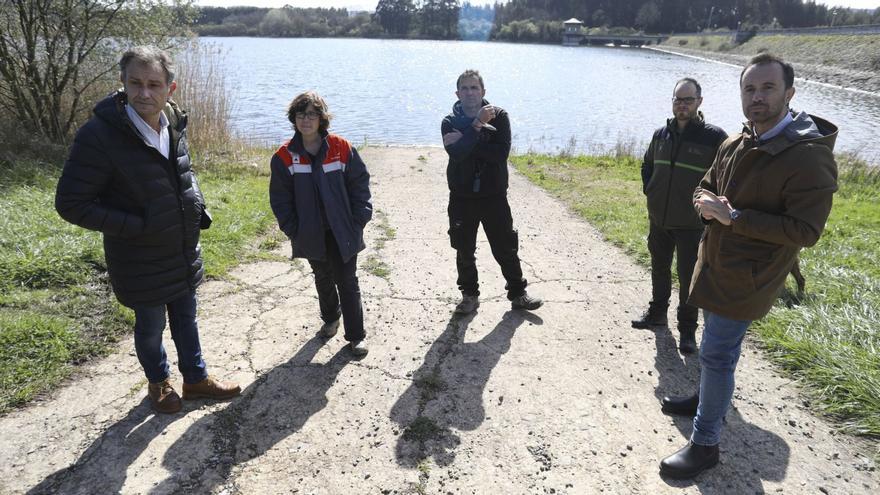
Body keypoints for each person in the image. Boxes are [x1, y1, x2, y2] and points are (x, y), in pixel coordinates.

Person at [659, 53, 838, 479]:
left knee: (719, 356)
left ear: (789, 93)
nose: (757, 97)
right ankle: (704, 399)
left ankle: (705, 444)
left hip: (750, 275)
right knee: (711, 347)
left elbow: (806, 230)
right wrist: (705, 206)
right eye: (749, 89)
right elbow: (706, 187)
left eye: (767, 88)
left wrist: (733, 217)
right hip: (716, 263)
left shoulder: (807, 156)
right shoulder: (738, 141)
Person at [55, 46, 241, 414]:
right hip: (138, 257)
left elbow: (182, 171)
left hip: (182, 247)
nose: (144, 93)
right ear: (122, 84)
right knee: (151, 327)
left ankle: (196, 379)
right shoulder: (99, 135)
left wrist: (195, 206)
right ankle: (158, 383)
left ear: (170, 89)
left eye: (153, 84)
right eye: (135, 83)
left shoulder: (173, 122)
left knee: (187, 319)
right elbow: (71, 203)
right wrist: (137, 226)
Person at [269, 91, 372, 356]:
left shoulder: (341, 148)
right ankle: (330, 318)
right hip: (310, 232)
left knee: (347, 280)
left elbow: (359, 184)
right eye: (301, 114)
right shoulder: (283, 156)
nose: (306, 120)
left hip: (343, 229)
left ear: (321, 118)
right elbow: (280, 200)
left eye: (312, 114)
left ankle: (356, 336)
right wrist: (293, 230)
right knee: (323, 277)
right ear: (294, 118)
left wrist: (360, 218)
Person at [632, 78, 727, 354]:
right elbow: (647, 165)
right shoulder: (661, 134)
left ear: (699, 101)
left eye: (687, 99)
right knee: (659, 268)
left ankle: (687, 331)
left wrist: (708, 207)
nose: (682, 105)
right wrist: (649, 190)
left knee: (688, 278)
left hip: (691, 223)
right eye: (677, 99)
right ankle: (657, 314)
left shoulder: (714, 137)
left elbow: (725, 177)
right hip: (659, 218)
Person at [441, 69, 542, 314]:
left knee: (505, 246)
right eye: (464, 88)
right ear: (457, 93)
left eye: (474, 88)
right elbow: (455, 154)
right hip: (462, 197)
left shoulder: (499, 116)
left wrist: (466, 141)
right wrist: (476, 127)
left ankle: (518, 294)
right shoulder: (449, 121)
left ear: (483, 92)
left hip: (493, 195)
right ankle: (469, 296)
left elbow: (499, 155)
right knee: (464, 248)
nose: (469, 93)